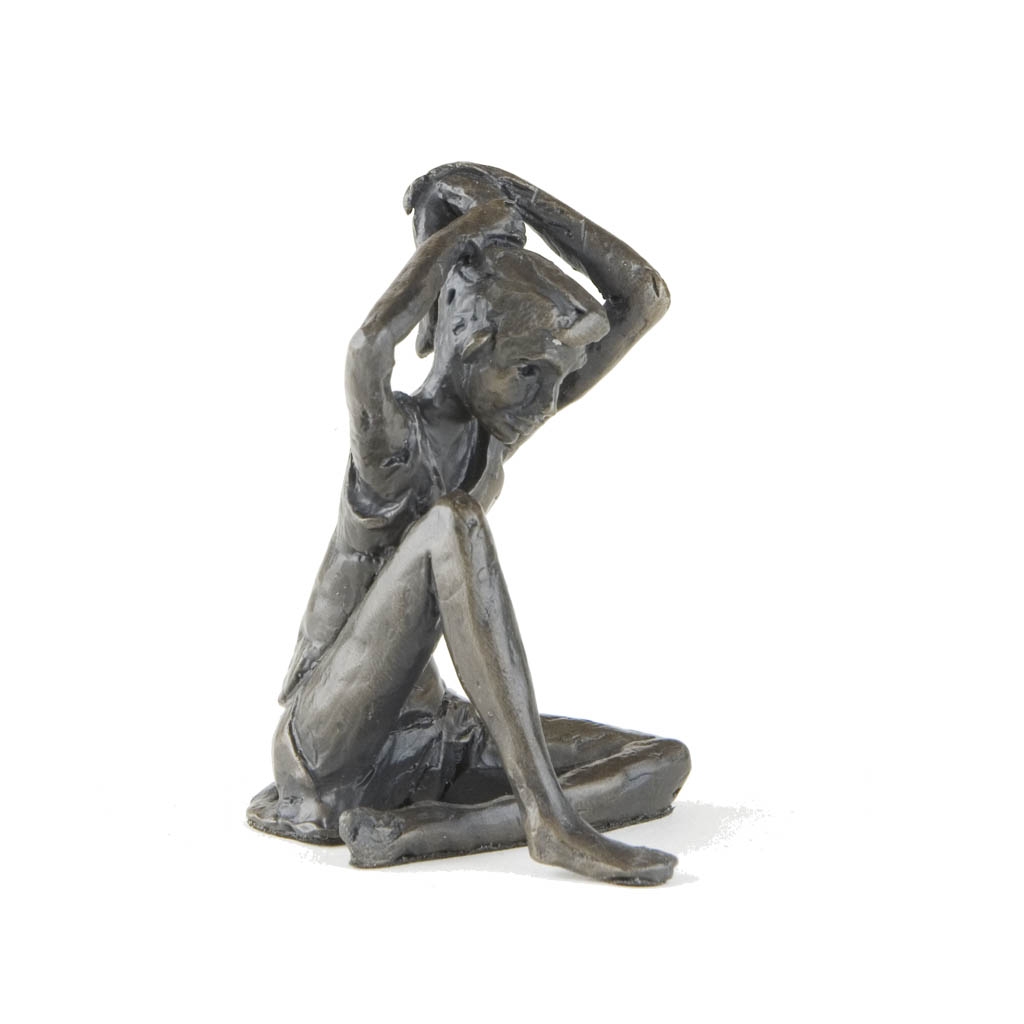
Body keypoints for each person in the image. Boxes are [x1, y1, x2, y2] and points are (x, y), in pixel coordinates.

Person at [247, 163, 690, 885]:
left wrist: (510, 193)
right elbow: (368, 347)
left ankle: (443, 829)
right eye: (531, 373)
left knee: (659, 764)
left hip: (434, 738)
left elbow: (644, 296)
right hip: (329, 744)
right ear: (471, 342)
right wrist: (474, 226)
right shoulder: (393, 444)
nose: (547, 399)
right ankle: (546, 818)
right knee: (451, 523)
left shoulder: (493, 433)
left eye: (555, 379)